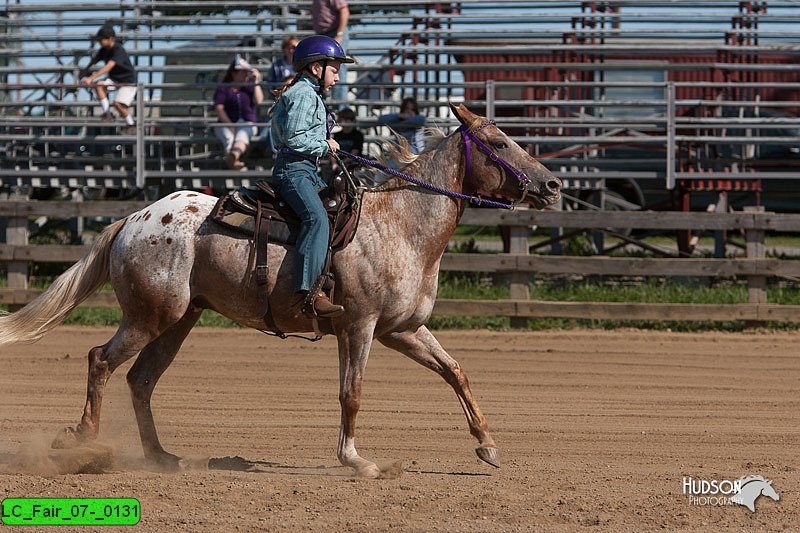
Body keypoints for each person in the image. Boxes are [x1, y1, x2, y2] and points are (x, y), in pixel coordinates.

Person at [270, 35, 354, 319]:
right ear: (317, 68)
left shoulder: (308, 94)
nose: (338, 77)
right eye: (335, 69)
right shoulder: (305, 95)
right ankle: (307, 293)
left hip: (304, 169)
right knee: (316, 218)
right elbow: (294, 138)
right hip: (293, 170)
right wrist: (325, 145)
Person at [79, 25, 137, 134]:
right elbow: (94, 60)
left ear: (110, 39)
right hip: (115, 79)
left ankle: (131, 124)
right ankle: (108, 114)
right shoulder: (104, 50)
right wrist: (84, 72)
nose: (99, 42)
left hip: (128, 81)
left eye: (101, 40)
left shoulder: (118, 49)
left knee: (118, 104)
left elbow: (109, 66)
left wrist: (91, 77)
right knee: (99, 85)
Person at [213, 55, 264, 170]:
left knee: (242, 135)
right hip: (225, 123)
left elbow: (259, 101)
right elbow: (219, 108)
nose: (246, 74)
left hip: (247, 122)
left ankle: (233, 157)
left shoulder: (250, 86)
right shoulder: (224, 88)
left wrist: (256, 82)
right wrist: (230, 125)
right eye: (243, 72)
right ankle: (234, 161)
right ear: (233, 73)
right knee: (229, 137)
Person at [312, 0, 350, 102]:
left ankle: (340, 105)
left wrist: (339, 34)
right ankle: (323, 103)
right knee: (323, 69)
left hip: (334, 33)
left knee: (335, 68)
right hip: (324, 34)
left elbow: (344, 11)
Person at [266, 35, 299, 100]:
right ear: (284, 49)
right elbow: (270, 85)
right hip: (281, 100)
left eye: (294, 47)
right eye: (289, 47)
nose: (291, 50)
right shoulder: (276, 66)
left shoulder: (303, 65)